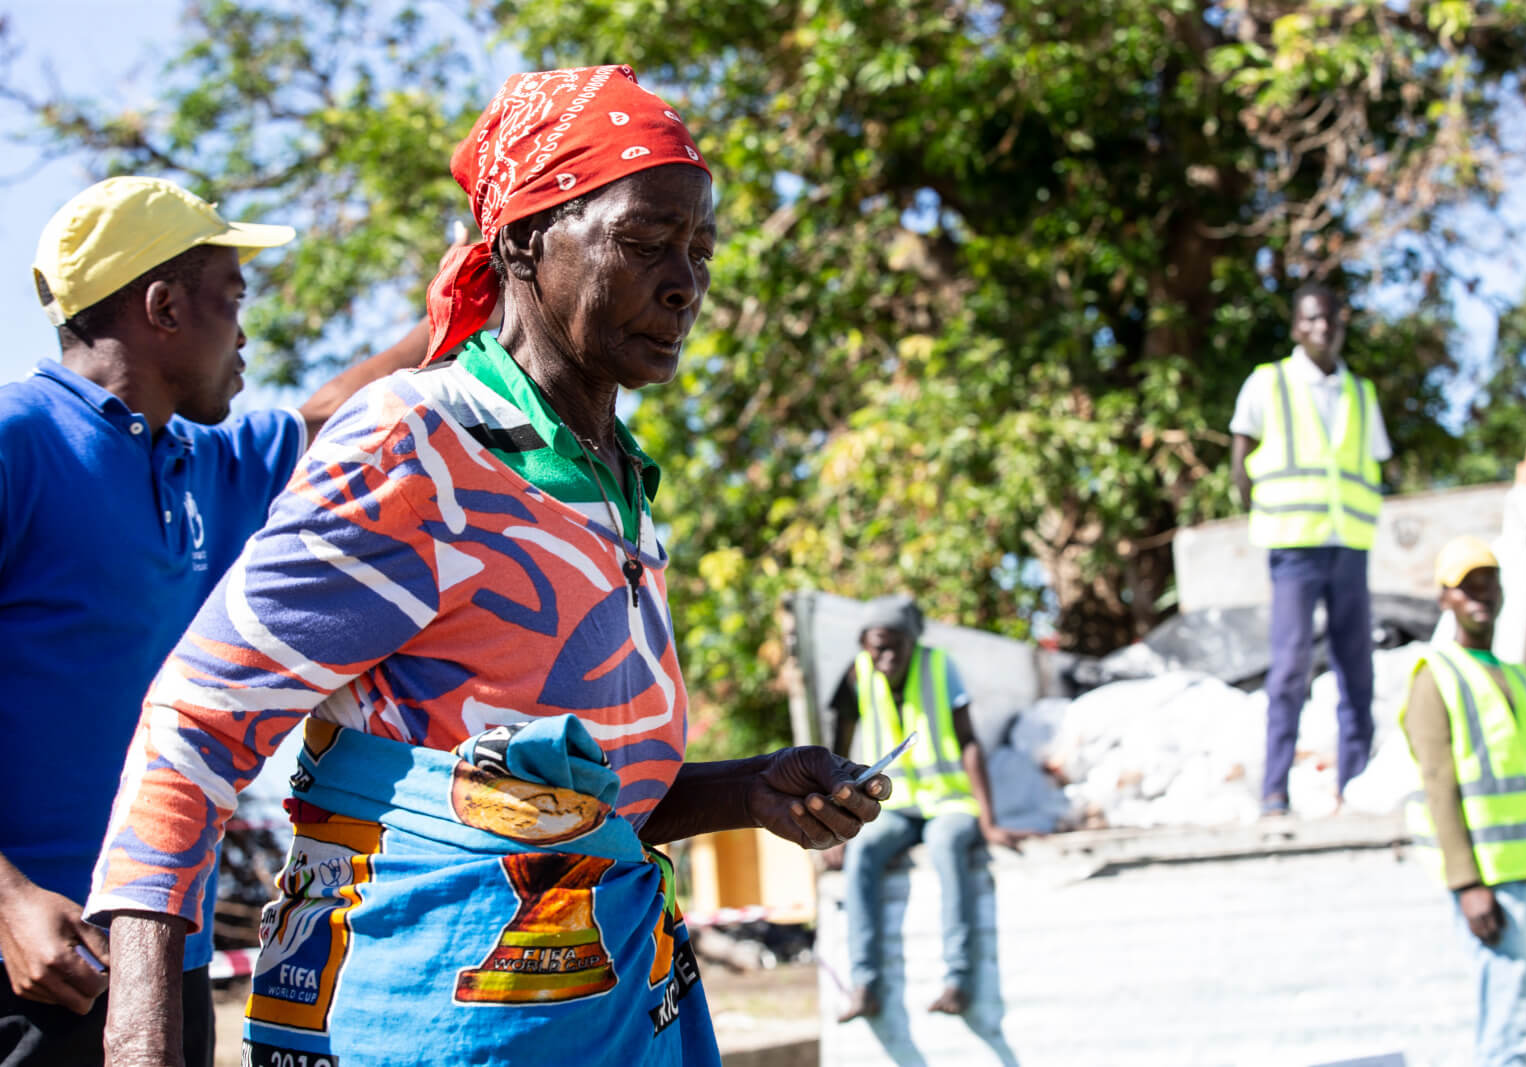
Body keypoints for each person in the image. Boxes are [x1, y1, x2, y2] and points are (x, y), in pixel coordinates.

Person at [86, 65, 888, 1067]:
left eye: (699, 250)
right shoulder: (420, 445)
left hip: (599, 1014)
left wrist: (750, 789)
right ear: (520, 242)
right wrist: (141, 1044)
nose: (683, 283)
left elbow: (560, 796)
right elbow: (194, 726)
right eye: (642, 243)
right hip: (424, 1021)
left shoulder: (608, 479)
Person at [0, 176, 432, 1066]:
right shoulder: (19, 441)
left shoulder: (203, 463)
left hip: (164, 952)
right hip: (31, 962)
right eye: (231, 299)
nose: (245, 331)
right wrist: (6, 901)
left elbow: (331, 418)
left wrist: (468, 297)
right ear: (162, 306)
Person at [1398, 536, 1526, 1065]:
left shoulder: (1515, 676)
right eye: (1468, 588)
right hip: (1494, 878)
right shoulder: (1435, 678)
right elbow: (1439, 786)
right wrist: (1466, 883)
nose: (1482, 596)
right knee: (1508, 1028)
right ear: (1445, 599)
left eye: (1489, 585)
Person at [1229, 282, 1392, 816]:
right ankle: (1274, 791)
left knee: (1356, 669)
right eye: (1312, 319)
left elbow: (1376, 465)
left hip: (1349, 546)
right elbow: (1241, 460)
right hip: (1294, 547)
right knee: (1290, 667)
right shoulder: (1267, 383)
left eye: (1331, 318)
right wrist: (1265, 514)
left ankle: (1357, 785)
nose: (1323, 327)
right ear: (1297, 326)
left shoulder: (1361, 395)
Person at [825, 594, 1028, 1022]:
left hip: (949, 802)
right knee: (861, 853)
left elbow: (968, 741)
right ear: (864, 644)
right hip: (896, 806)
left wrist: (988, 822)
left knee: (947, 849)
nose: (885, 655)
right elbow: (836, 754)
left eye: (894, 644)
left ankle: (958, 980)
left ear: (912, 640)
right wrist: (835, 829)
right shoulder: (857, 673)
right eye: (876, 645)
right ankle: (865, 985)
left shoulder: (940, 666)